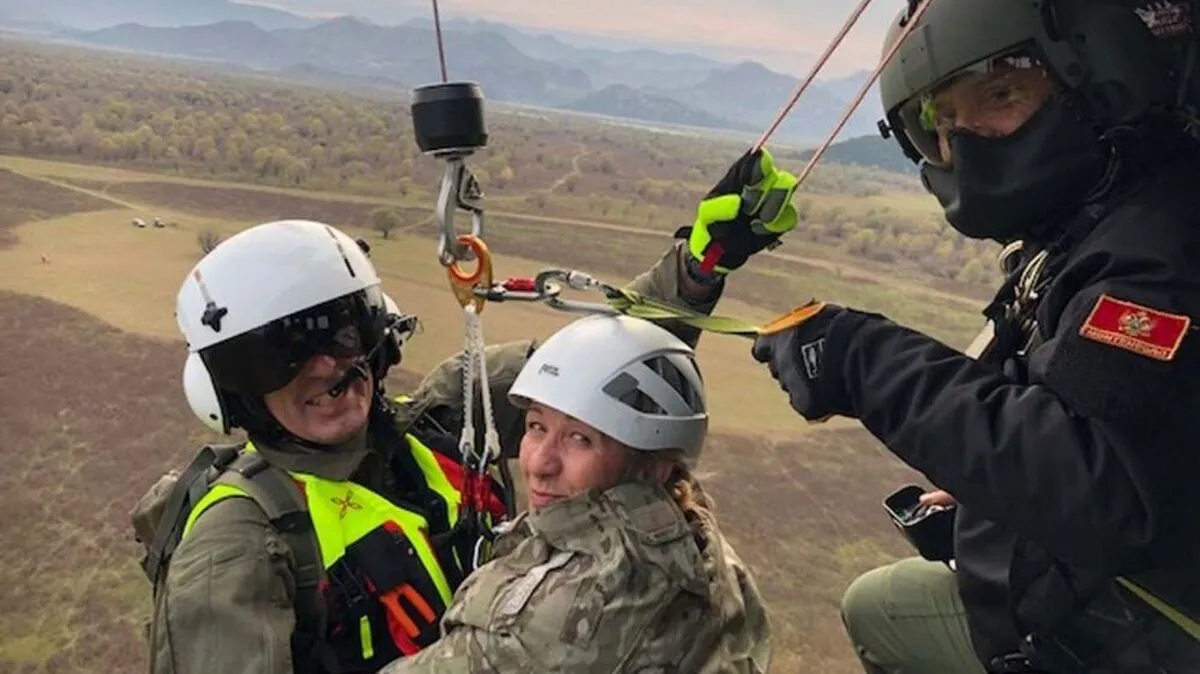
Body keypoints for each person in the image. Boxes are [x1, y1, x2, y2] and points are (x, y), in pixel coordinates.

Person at [136, 147, 799, 674]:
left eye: (340, 333)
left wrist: (700, 264)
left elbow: (610, 374)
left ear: (374, 334)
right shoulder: (235, 548)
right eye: (277, 358)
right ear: (238, 392)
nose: (325, 367)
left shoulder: (449, 418)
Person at [748, 1, 1200, 672]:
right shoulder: (1099, 226)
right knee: (881, 603)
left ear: (1097, 72)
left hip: (1141, 633)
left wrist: (867, 362)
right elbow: (1094, 404)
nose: (964, 142)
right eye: (942, 121)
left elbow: (1104, 490)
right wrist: (992, 494)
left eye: (1000, 95)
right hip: (1077, 613)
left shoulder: (1164, 248)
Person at [378, 313, 771, 673]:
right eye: (536, 427)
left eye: (579, 439)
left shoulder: (560, 619)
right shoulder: (701, 541)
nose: (538, 463)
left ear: (653, 465)